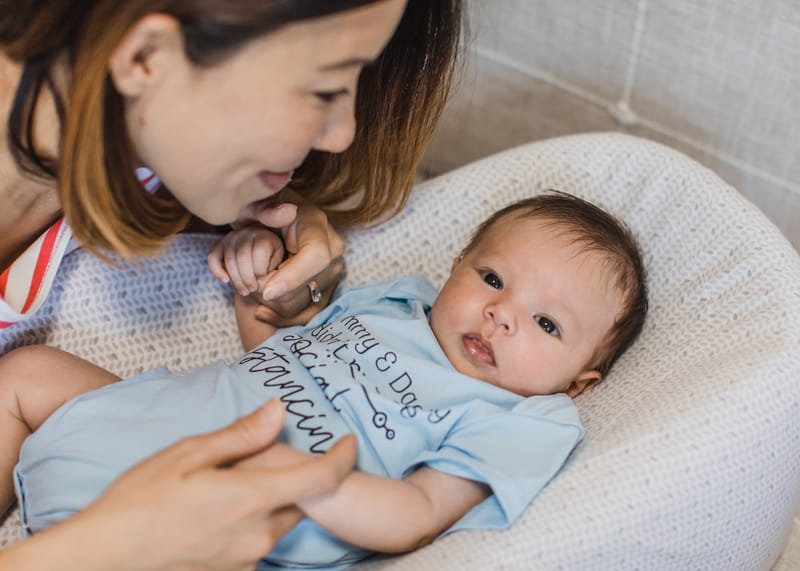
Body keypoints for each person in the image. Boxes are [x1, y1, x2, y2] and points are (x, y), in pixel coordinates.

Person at [0, 0, 463, 568]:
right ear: (147, 55)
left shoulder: (129, 146)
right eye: (323, 89)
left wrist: (269, 212)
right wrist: (102, 549)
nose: (343, 135)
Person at [0, 193, 649, 568]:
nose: (501, 314)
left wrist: (293, 481)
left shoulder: (516, 417)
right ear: (455, 268)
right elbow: (279, 348)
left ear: (579, 382)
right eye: (492, 279)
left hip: (222, 518)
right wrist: (257, 289)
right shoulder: (400, 306)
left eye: (545, 322)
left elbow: (413, 516)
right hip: (149, 419)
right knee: (24, 374)